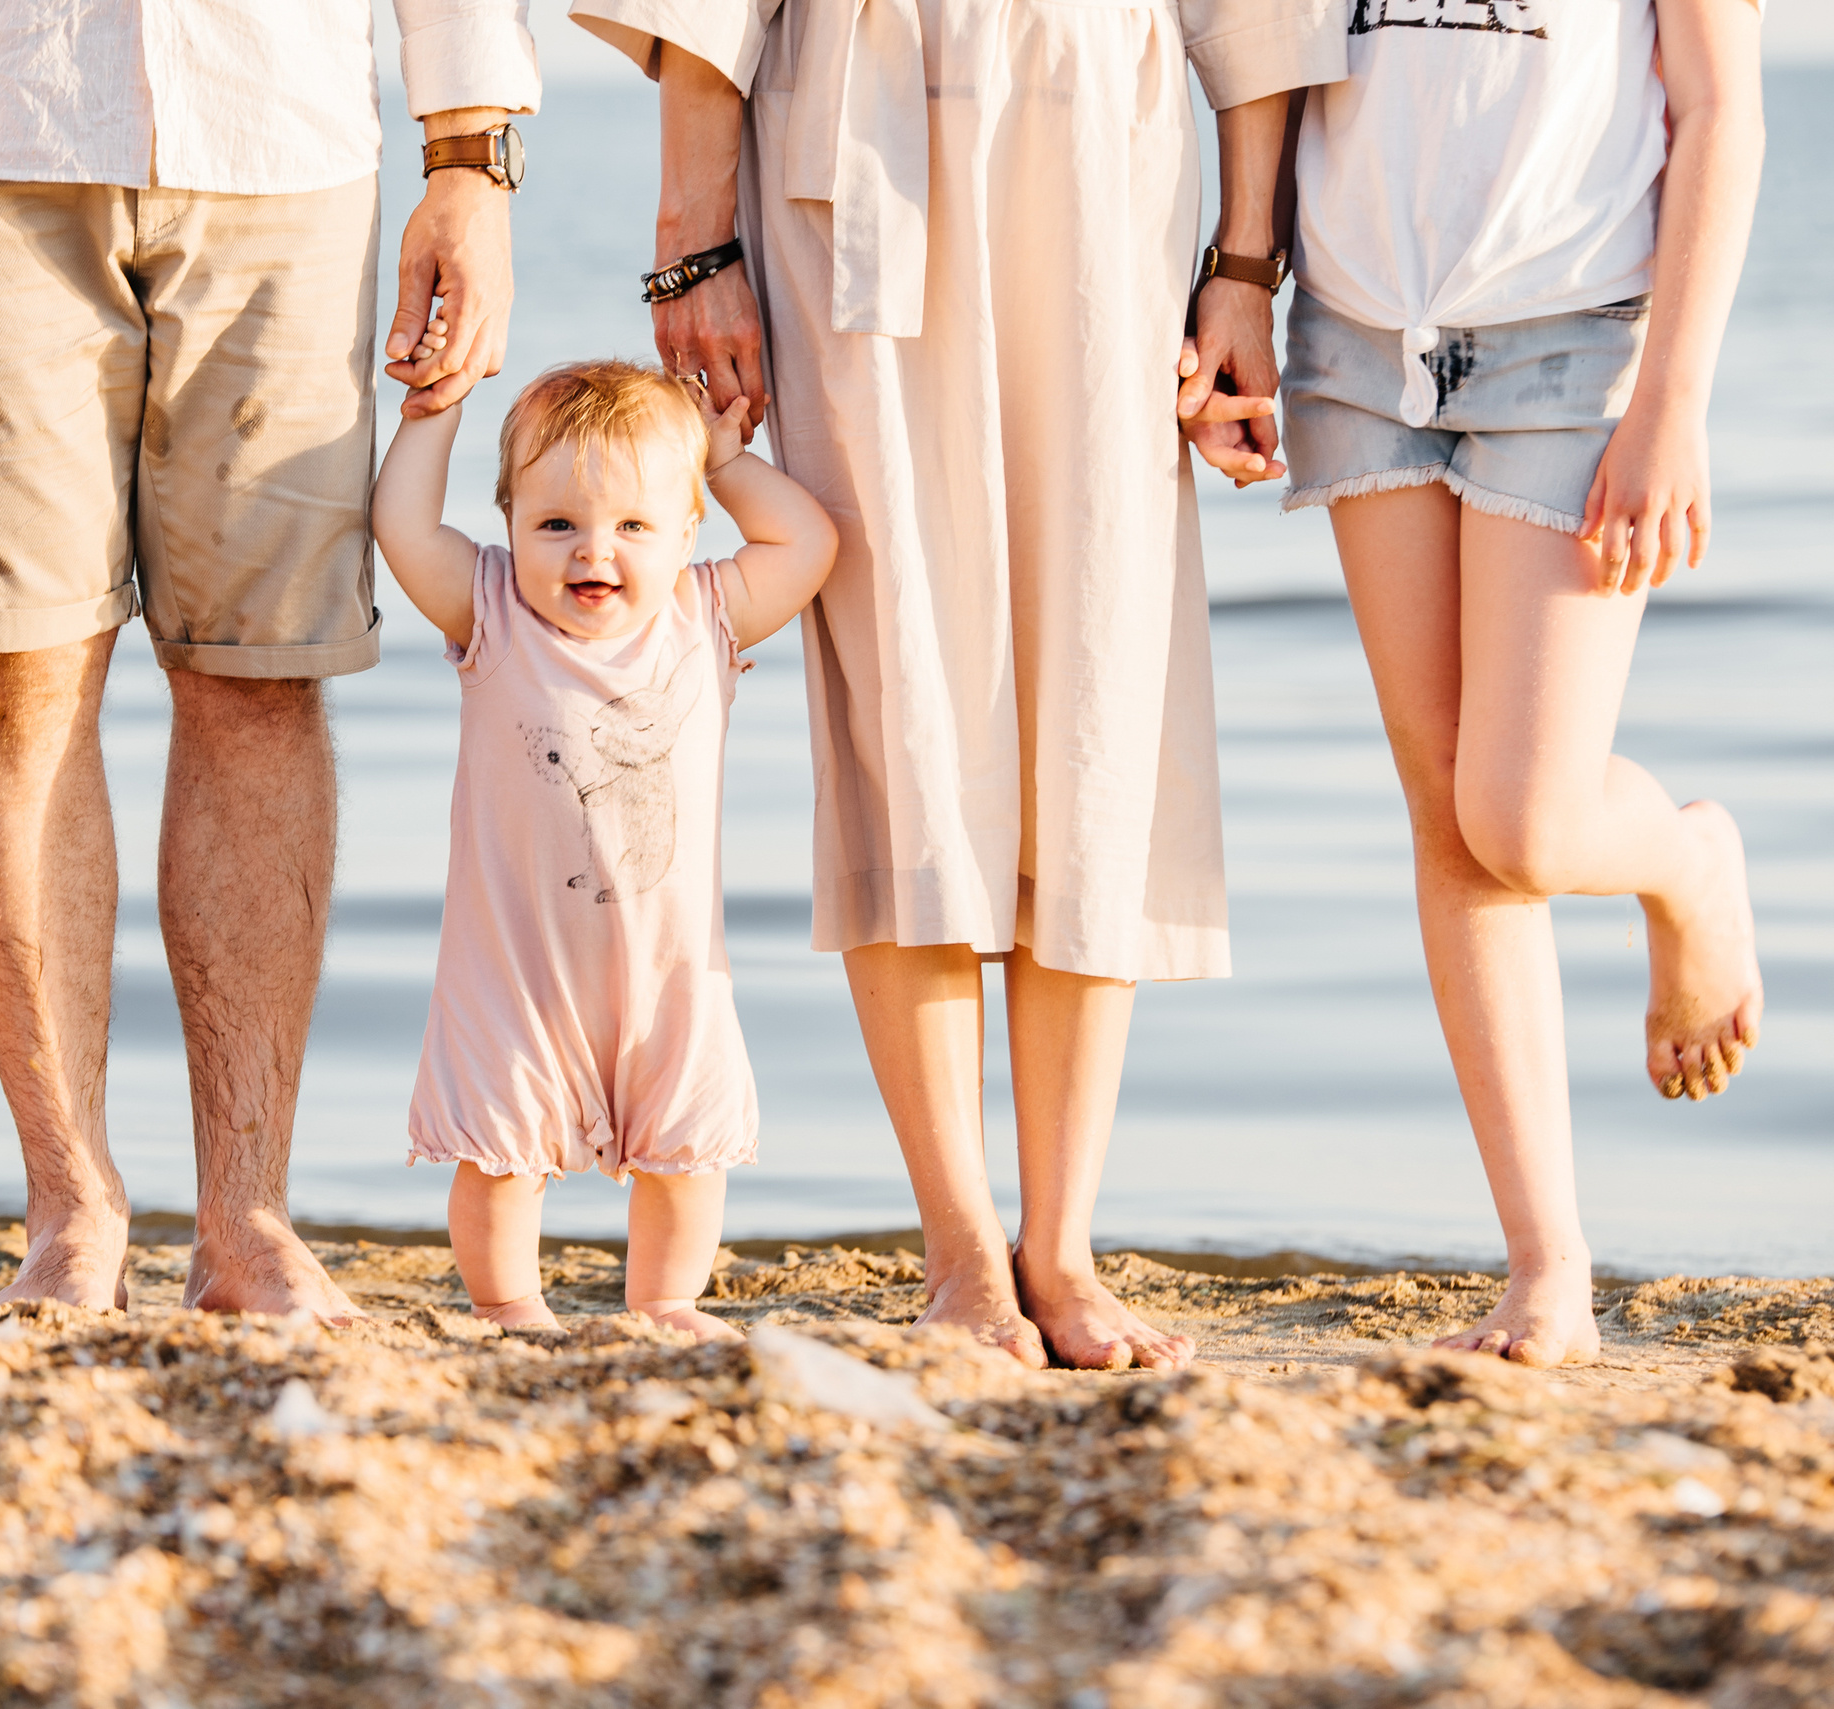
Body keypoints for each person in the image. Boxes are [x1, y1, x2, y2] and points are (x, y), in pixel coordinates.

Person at [571, 0, 1344, 1368]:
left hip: (1112, 158)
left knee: (1097, 680)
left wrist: (1244, 263)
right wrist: (694, 241)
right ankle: (960, 1247)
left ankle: (1062, 1243)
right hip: (851, 149)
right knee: (900, 685)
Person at [0, 1, 540, 1316]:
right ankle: (70, 1202)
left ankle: (248, 1220)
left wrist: (469, 155)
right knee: (13, 672)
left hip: (279, 126)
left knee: (260, 677)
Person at [1279, 0, 1766, 1365]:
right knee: (1450, 814)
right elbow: (1266, 56)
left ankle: (1688, 862)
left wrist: (1675, 402)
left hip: (1577, 335)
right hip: (1356, 333)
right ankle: (1548, 1263)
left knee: (1531, 818)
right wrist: (1236, 280)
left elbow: (1721, 108)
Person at [372, 358, 836, 1339]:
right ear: (506, 525)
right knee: (500, 1144)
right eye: (557, 525)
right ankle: (507, 1303)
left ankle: (665, 1298)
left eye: (633, 526)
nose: (594, 552)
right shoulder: (490, 611)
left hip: (669, 971)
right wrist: (435, 413)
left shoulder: (704, 615)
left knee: (685, 1146)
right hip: (516, 966)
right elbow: (404, 528)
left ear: (685, 533)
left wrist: (724, 458)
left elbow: (807, 540)